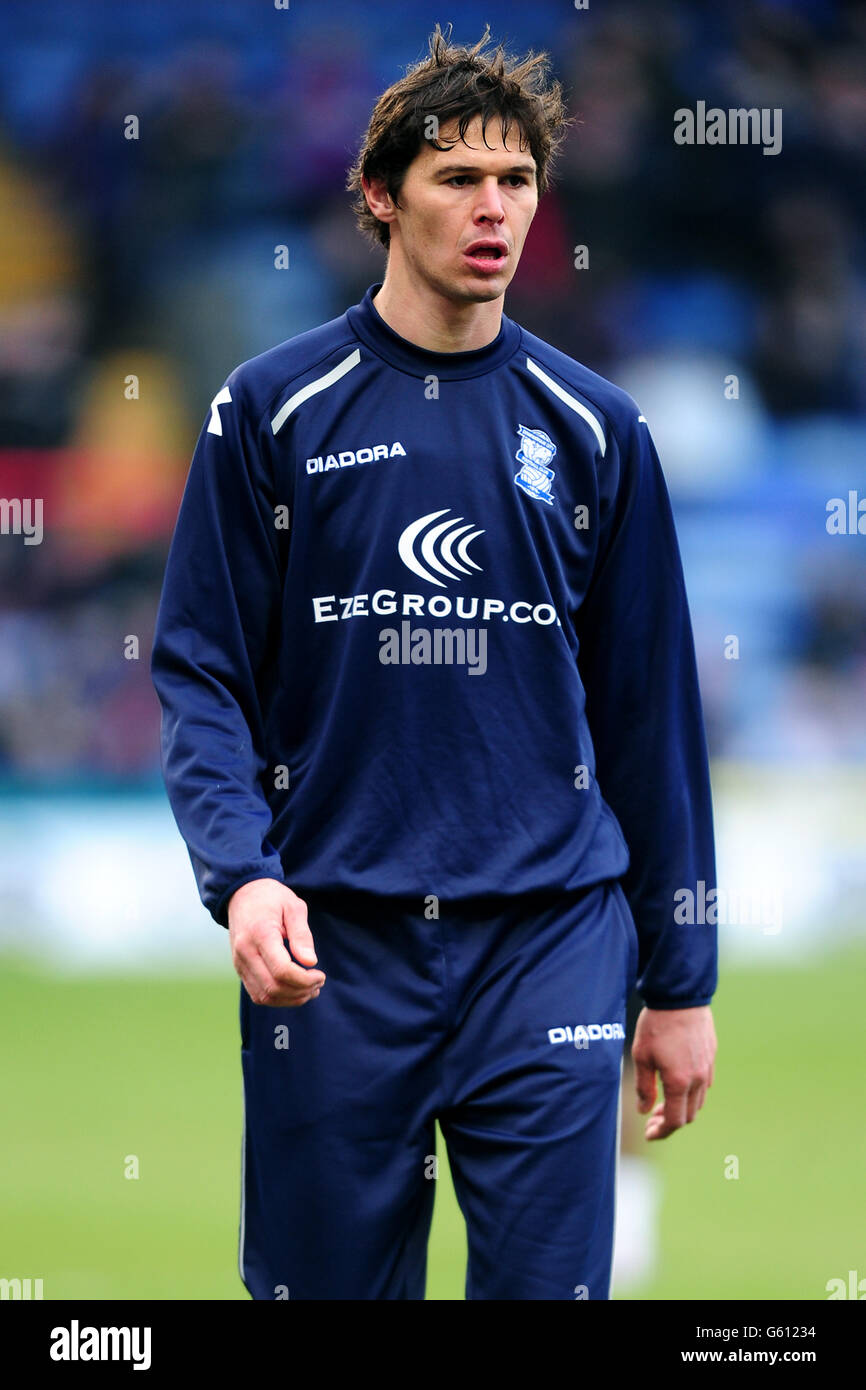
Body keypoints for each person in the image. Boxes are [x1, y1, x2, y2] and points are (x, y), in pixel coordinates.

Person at [151, 23, 718, 1301]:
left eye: (515, 180)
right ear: (378, 195)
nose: (493, 207)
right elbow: (200, 672)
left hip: (549, 941)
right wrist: (240, 877)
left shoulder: (596, 430)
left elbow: (650, 721)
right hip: (335, 947)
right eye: (458, 176)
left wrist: (679, 981)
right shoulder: (271, 411)